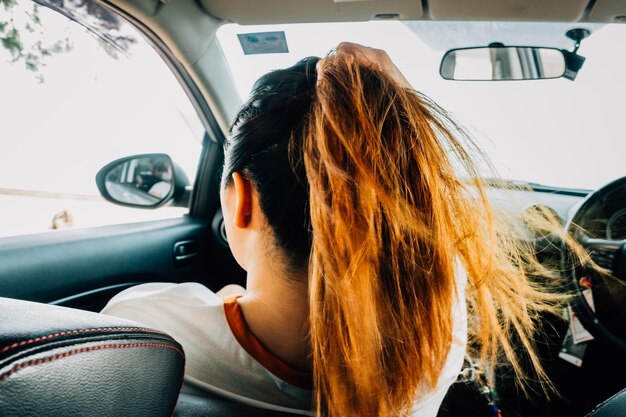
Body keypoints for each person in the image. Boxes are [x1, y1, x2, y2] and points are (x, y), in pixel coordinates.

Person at [102, 43, 567, 417]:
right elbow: (442, 240)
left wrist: (226, 305)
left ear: (239, 201)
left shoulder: (148, 331)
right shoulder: (438, 339)